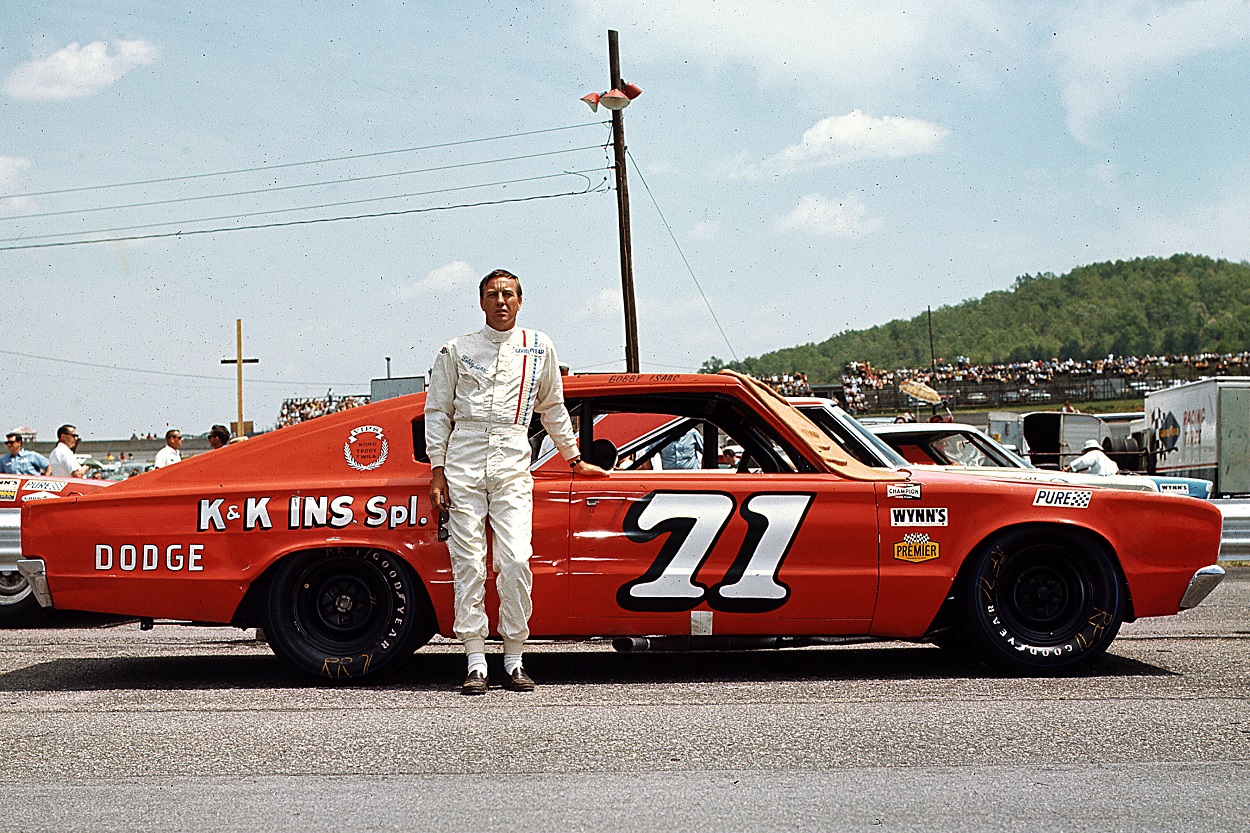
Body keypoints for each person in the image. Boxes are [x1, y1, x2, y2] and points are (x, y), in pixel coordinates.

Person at [425, 268, 607, 695]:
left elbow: (553, 407)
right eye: (492, 295)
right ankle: (474, 661)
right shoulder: (456, 350)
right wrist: (437, 469)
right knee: (468, 562)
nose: (501, 301)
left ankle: (514, 658)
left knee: (515, 560)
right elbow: (437, 411)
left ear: (521, 300)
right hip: (463, 458)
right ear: (481, 302)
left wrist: (574, 458)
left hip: (512, 458)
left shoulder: (539, 347)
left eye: (508, 294)